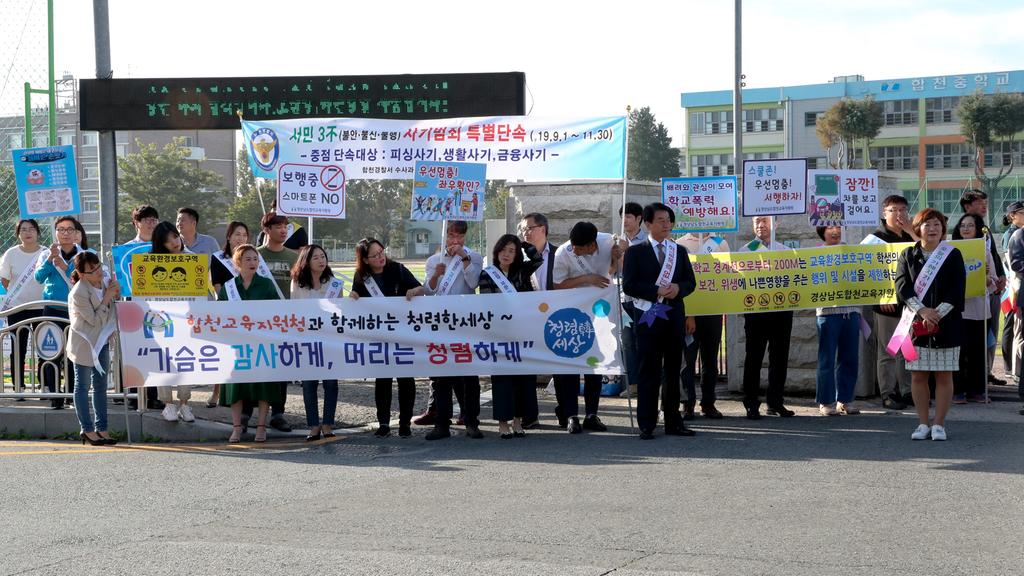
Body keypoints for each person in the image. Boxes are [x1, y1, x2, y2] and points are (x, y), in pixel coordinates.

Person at [622, 203, 697, 439]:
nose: (666, 225)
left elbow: (690, 282)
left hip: (673, 318)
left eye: (669, 221)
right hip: (648, 317)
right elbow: (629, 285)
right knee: (649, 371)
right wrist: (656, 290)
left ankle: (674, 421)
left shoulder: (679, 251)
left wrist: (677, 288)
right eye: (661, 220)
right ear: (648, 223)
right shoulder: (636, 251)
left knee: (674, 371)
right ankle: (647, 423)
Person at [894, 208, 965, 441]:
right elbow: (902, 286)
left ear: (943, 229)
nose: (932, 229)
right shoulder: (907, 255)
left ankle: (939, 425)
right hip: (917, 325)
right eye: (927, 224)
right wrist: (922, 310)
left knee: (944, 375)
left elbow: (957, 289)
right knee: (918, 376)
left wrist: (937, 314)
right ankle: (923, 423)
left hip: (947, 323)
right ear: (917, 228)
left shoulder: (952, 255)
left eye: (937, 224)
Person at [551, 221, 622, 433]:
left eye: (581, 248)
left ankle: (592, 414)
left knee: (596, 363)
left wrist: (618, 256)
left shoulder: (609, 242)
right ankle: (572, 415)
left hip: (600, 312)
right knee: (572, 363)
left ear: (593, 245)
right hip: (572, 314)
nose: (576, 251)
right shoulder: (564, 253)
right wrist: (586, 278)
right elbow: (558, 285)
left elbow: (612, 271)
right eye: (574, 246)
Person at [350, 238, 424, 437]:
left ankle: (405, 423)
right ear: (365, 259)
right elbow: (354, 294)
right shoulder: (362, 275)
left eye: (381, 252)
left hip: (402, 332)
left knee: (405, 380)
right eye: (374, 255)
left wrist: (414, 291)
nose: (380, 257)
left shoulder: (397, 269)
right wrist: (354, 296)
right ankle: (383, 423)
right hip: (378, 335)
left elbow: (421, 288)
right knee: (383, 380)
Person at [421, 220, 484, 440]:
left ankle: (471, 421)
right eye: (451, 235)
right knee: (442, 377)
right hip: (441, 323)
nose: (455, 240)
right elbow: (429, 291)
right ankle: (441, 423)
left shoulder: (474, 257)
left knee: (469, 375)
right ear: (444, 236)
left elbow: (474, 282)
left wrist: (464, 259)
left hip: (466, 322)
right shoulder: (433, 260)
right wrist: (436, 274)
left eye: (459, 236)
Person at [217, 245, 286, 442]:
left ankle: (261, 427)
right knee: (235, 385)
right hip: (236, 345)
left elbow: (275, 312)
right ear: (238, 262)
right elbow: (219, 314)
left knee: (263, 385)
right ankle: (237, 427)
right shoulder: (229, 287)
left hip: (261, 343)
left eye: (255, 259)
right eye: (247, 259)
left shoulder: (266, 285)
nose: (252, 263)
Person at [479, 234, 544, 438]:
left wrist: (523, 243)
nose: (506, 254)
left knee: (524, 379)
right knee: (502, 379)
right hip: (500, 333)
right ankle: (503, 423)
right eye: (503, 249)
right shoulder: (488, 273)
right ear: (496, 251)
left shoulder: (521, 271)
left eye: (511, 251)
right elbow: (488, 301)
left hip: (523, 333)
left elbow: (537, 260)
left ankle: (518, 421)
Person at [862, 194, 915, 410]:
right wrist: (881, 297)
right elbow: (864, 272)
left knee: (908, 349)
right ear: (884, 213)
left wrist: (912, 231)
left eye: (902, 209)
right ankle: (888, 392)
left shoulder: (911, 237)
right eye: (893, 210)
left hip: (910, 303)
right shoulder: (873, 239)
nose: (899, 214)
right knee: (889, 350)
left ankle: (908, 390)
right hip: (887, 305)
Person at [740, 216, 795, 419]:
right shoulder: (746, 251)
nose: (761, 225)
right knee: (753, 357)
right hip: (756, 313)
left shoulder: (786, 251)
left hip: (781, 312)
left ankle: (775, 402)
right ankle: (751, 403)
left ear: (776, 224)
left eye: (765, 221)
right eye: (757, 222)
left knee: (779, 358)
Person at [676, 229, 731, 419]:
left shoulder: (720, 243)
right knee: (687, 361)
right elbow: (681, 281)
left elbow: (728, 275)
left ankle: (708, 403)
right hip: (689, 314)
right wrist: (689, 314)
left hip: (713, 311)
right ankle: (687, 403)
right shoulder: (681, 243)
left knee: (710, 360)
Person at [67, 251, 120, 446]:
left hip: (103, 340)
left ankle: (102, 428)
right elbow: (94, 321)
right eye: (92, 270)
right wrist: (107, 298)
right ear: (81, 274)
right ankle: (87, 429)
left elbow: (115, 305)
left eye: (98, 266)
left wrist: (116, 292)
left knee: (101, 386)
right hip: (84, 343)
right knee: (82, 386)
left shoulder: (106, 280)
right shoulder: (79, 292)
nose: (98, 271)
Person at [33, 216, 87, 409]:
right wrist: (49, 260)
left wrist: (68, 267)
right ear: (55, 232)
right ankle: (56, 396)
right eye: (61, 229)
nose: (65, 233)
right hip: (51, 308)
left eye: (69, 229)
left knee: (74, 354)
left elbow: (88, 278)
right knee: (52, 352)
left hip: (76, 310)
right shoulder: (46, 253)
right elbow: (38, 277)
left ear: (76, 233)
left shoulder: (84, 254)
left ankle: (72, 395)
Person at [290, 244, 342, 441]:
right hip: (306, 340)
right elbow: (295, 310)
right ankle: (313, 426)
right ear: (306, 261)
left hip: (329, 340)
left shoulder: (334, 283)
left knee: (331, 383)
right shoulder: (297, 283)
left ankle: (328, 424)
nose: (321, 260)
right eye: (316, 258)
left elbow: (339, 312)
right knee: (309, 384)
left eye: (323, 256)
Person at [960, 189, 1007, 387]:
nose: (984, 206)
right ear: (968, 207)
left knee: (990, 332)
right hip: (970, 298)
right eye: (980, 203)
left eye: (985, 203)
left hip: (991, 289)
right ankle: (972, 379)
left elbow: (993, 255)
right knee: (972, 339)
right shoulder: (962, 232)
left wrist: (1000, 276)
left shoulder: (985, 229)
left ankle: (986, 371)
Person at [149, 221, 195, 422]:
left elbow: (203, 293)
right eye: (168, 241)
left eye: (175, 237)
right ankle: (167, 404)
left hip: (187, 321)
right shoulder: (151, 262)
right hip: (161, 320)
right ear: (161, 245)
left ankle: (185, 404)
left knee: (187, 362)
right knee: (163, 362)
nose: (174, 243)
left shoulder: (193, 260)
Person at [814, 226, 861, 416]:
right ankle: (826, 401)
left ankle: (845, 400)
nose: (835, 231)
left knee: (850, 358)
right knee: (826, 359)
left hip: (851, 312)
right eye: (830, 228)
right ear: (822, 231)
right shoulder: (816, 254)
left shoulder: (853, 252)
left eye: (838, 227)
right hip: (827, 313)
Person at [516, 212, 557, 428]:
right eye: (522, 229)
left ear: (542, 229)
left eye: (529, 228)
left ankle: (567, 413)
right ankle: (529, 415)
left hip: (555, 319)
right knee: (527, 369)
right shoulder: (515, 255)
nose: (525, 232)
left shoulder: (560, 254)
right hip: (526, 321)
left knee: (561, 367)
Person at [258, 211, 297, 432]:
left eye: (286, 226)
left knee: (281, 368)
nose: (283, 230)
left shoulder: (294, 257)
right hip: (260, 322)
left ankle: (278, 413)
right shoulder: (255, 255)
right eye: (278, 226)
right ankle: (252, 411)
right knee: (262, 367)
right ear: (267, 230)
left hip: (287, 322)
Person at [951, 214, 996, 404]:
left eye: (970, 225)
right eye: (963, 225)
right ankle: (958, 390)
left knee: (978, 352)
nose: (966, 229)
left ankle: (976, 390)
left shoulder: (984, 251)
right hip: (957, 310)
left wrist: (986, 279)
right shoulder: (950, 250)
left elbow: (993, 281)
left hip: (979, 309)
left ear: (978, 228)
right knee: (958, 352)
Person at [0, 219, 48, 392]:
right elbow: (4, 280)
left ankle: (45, 385)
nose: (28, 233)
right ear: (18, 234)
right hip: (18, 309)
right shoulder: (11, 254)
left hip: (42, 307)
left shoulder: (46, 253)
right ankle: (18, 386)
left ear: (38, 232)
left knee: (46, 349)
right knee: (17, 349)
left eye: (32, 229)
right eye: (23, 230)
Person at [206, 221, 249, 407]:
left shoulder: (252, 257)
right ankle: (217, 392)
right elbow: (218, 286)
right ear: (229, 237)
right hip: (226, 311)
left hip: (249, 314)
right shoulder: (218, 258)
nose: (241, 238)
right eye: (237, 234)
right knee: (223, 354)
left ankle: (243, 395)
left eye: (244, 235)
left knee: (245, 355)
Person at [617, 202, 645, 399]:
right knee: (627, 342)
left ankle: (648, 382)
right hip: (623, 299)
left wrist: (627, 252)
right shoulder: (617, 241)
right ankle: (633, 384)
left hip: (644, 301)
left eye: (629, 216)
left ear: (639, 219)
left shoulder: (647, 242)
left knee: (644, 341)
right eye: (623, 217)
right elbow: (613, 270)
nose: (625, 220)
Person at [1000, 201, 1024, 379]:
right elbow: (1014, 264)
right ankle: (1014, 369)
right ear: (1012, 216)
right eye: (1022, 212)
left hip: (1016, 284)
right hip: (1015, 285)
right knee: (1014, 326)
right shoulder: (1014, 234)